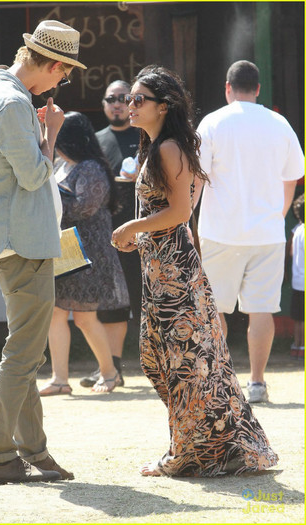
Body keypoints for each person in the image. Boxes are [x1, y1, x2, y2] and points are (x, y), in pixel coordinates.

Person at [111, 65, 279, 477]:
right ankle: (204, 449)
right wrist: (141, 234)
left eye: (138, 100)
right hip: (160, 269)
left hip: (176, 272)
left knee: (184, 364)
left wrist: (134, 227)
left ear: (163, 106)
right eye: (128, 99)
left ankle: (187, 454)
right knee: (165, 361)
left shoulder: (168, 148)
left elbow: (182, 211)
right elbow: (163, 210)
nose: (129, 106)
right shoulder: (153, 146)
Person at [0, 20, 86, 485]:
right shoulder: (14, 101)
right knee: (23, 352)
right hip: (22, 240)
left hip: (8, 238)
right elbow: (36, 176)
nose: (61, 83)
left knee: (26, 349)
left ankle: (34, 450)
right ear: (53, 64)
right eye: (64, 74)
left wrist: (37, 133)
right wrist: (51, 133)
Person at [194, 60, 304, 403]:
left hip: (219, 229)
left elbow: (198, 177)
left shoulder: (212, 122)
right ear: (258, 89)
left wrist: (186, 219)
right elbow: (293, 177)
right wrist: (279, 215)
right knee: (261, 310)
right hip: (267, 232)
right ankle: (257, 383)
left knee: (215, 311)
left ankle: (221, 382)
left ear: (228, 88)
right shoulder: (279, 123)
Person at [39, 112, 129, 396]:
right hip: (65, 249)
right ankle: (59, 380)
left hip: (90, 254)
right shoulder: (61, 164)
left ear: (70, 139)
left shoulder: (91, 168)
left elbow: (83, 208)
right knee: (55, 313)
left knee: (84, 318)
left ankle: (110, 373)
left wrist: (48, 195)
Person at [79, 80, 141, 389]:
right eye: (111, 99)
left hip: (143, 229)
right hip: (106, 231)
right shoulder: (96, 140)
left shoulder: (146, 137)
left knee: (147, 298)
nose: (117, 103)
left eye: (123, 98)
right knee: (110, 300)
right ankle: (112, 366)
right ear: (103, 105)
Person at [288, 194, 304, 359]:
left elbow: (292, 252)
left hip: (297, 280)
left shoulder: (298, 230)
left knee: (299, 318)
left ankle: (297, 346)